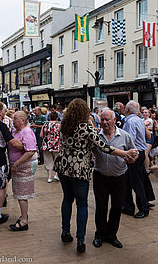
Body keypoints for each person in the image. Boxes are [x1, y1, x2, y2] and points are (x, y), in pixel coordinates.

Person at [54, 98, 137, 253]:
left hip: (63, 167)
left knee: (67, 199)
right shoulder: (86, 127)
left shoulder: (64, 125)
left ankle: (65, 232)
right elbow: (104, 147)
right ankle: (80, 240)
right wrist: (125, 153)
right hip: (79, 169)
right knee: (82, 205)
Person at [92, 109, 136, 249]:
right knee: (101, 207)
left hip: (120, 177)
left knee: (116, 207)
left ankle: (112, 235)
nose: (104, 122)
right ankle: (100, 235)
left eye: (107, 119)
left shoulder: (124, 135)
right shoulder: (95, 137)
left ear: (114, 120)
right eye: (102, 120)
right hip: (100, 176)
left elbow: (134, 153)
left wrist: (132, 158)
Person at [8, 111, 38, 231]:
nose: (13, 120)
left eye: (15, 119)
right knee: (20, 192)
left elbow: (30, 151)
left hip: (24, 166)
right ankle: (23, 215)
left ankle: (24, 220)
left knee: (22, 194)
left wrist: (16, 164)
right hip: (18, 166)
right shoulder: (15, 131)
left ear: (22, 120)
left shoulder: (27, 132)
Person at [122, 100, 151, 218]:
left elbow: (130, 140)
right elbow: (146, 135)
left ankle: (143, 208)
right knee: (129, 181)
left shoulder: (130, 122)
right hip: (140, 153)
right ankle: (129, 207)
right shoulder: (139, 120)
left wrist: (127, 154)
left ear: (127, 110)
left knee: (136, 182)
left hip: (135, 154)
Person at [40, 111, 61, 183]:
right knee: (57, 160)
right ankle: (56, 175)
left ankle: (49, 177)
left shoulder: (45, 124)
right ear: (57, 118)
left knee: (48, 161)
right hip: (57, 145)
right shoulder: (59, 125)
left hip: (46, 145)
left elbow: (41, 135)